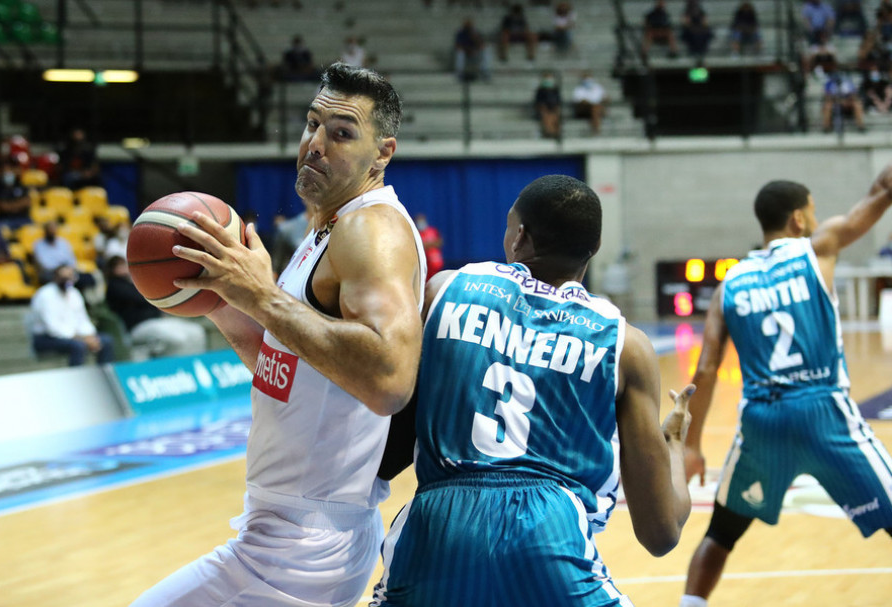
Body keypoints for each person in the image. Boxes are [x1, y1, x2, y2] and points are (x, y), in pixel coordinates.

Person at [129, 62, 427, 607]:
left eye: (342, 134)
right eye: (312, 124)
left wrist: (262, 296)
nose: (316, 144)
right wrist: (224, 301)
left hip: (305, 544)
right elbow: (292, 370)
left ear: (382, 153)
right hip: (293, 532)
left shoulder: (371, 228)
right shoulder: (327, 229)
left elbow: (389, 379)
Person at [370, 174, 693, 607]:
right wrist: (674, 446)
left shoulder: (443, 290)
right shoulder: (625, 344)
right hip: (550, 537)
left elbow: (388, 450)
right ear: (593, 248)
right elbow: (660, 532)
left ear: (519, 236)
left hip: (437, 527)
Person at [678, 172, 892, 607]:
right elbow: (880, 193)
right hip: (823, 411)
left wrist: (692, 445)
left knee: (721, 533)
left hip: (763, 421)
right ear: (798, 219)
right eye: (812, 211)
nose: (815, 219)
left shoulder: (730, 284)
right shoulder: (816, 249)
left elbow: (706, 369)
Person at [103, 255, 207, 358]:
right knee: (177, 338)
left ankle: (191, 364)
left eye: (124, 265)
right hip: (138, 326)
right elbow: (146, 298)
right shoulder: (114, 286)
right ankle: (172, 366)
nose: (124, 268)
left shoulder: (132, 284)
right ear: (112, 269)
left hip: (157, 321)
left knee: (196, 332)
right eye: (119, 266)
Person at [28, 264, 114, 366]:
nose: (67, 280)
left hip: (76, 336)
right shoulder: (45, 294)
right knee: (78, 346)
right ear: (56, 277)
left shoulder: (74, 293)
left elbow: (82, 319)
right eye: (64, 277)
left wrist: (90, 336)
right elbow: (53, 327)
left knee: (105, 340)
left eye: (70, 276)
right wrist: (82, 339)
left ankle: (104, 372)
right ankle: (78, 374)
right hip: (46, 338)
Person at [821, 58, 866, 132]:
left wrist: (846, 101)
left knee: (857, 104)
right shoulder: (829, 82)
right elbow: (827, 96)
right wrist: (838, 101)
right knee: (827, 105)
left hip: (847, 103)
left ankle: (861, 126)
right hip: (835, 102)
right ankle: (826, 127)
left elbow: (854, 95)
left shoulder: (848, 82)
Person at [453, 18, 492, 82]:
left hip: (475, 52)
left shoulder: (475, 33)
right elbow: (458, 46)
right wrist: (468, 50)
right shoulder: (461, 33)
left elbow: (481, 44)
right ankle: (460, 74)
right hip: (466, 52)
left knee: (486, 50)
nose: (468, 27)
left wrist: (474, 38)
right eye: (467, 25)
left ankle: (485, 72)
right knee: (460, 53)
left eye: (470, 25)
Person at [414, 213, 443, 278]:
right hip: (426, 265)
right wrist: (431, 244)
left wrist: (428, 244)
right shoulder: (417, 234)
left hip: (436, 262)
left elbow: (439, 242)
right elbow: (420, 246)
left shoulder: (432, 231)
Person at [534, 70, 561, 139]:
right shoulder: (540, 90)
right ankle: (549, 132)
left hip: (553, 107)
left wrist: (555, 107)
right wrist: (543, 106)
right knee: (547, 116)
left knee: (555, 116)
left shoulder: (555, 90)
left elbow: (558, 100)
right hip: (544, 108)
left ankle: (555, 132)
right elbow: (538, 101)